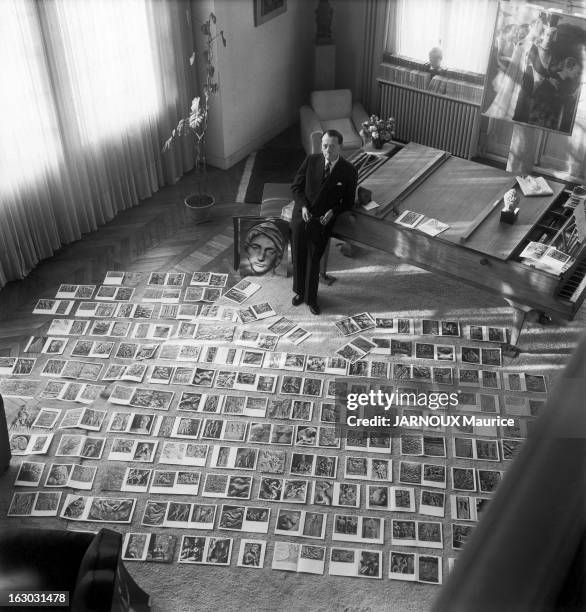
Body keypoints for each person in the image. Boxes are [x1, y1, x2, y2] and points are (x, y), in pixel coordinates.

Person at [290, 129, 358, 314]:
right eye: (324, 146)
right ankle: (299, 292)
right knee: (298, 256)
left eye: (332, 146)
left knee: (313, 260)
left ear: (340, 147)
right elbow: (296, 187)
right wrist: (303, 206)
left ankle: (311, 299)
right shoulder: (311, 161)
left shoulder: (349, 171)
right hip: (302, 216)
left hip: (321, 222)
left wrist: (333, 212)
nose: (327, 150)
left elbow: (348, 202)